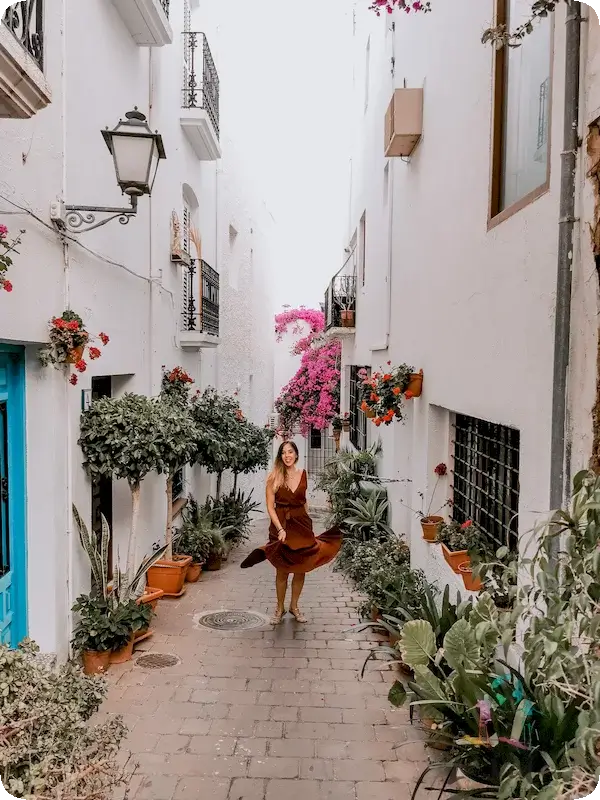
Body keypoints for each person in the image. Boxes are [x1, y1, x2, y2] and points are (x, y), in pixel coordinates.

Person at [241, 440, 342, 624]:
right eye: (283, 453)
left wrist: (308, 520)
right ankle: (279, 608)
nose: (287, 456)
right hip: (281, 526)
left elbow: (303, 501)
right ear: (280, 456)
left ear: (296, 454)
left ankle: (294, 607)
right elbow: (270, 507)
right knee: (282, 570)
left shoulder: (303, 474)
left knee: (301, 568)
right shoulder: (274, 477)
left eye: (290, 452)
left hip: (301, 526)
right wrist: (280, 528)